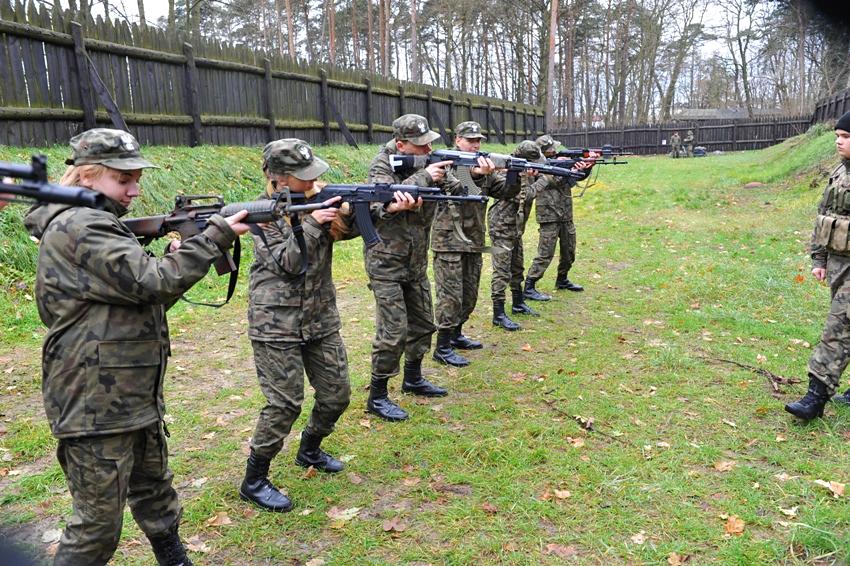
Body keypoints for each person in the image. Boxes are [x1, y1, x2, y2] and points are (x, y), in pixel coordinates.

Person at [23, 128, 250, 566]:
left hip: (128, 387)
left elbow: (138, 290)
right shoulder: (81, 224)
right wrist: (212, 239)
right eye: (123, 179)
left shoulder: (100, 220)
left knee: (154, 489)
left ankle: (174, 559)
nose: (134, 189)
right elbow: (153, 283)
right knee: (96, 527)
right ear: (87, 176)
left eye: (137, 178)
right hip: (94, 397)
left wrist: (179, 253)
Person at [240, 139, 357, 512]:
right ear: (278, 178)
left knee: (337, 393)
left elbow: (351, 229)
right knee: (285, 404)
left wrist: (367, 210)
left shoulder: (318, 200)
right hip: (275, 321)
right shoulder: (260, 214)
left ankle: (310, 449)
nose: (311, 181)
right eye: (302, 176)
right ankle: (254, 479)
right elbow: (289, 263)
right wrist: (311, 224)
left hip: (319, 316)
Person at [364, 114, 458, 421]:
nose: (428, 149)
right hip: (386, 262)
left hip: (415, 260)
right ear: (401, 144)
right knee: (393, 330)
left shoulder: (429, 163)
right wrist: (425, 177)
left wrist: (471, 174)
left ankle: (413, 378)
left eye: (429, 143)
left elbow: (460, 192)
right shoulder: (382, 165)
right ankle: (377, 396)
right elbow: (378, 204)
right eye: (420, 145)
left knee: (422, 323)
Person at [430, 121, 518, 367]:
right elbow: (458, 189)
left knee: (469, 294)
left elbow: (505, 192)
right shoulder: (444, 163)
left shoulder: (483, 164)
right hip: (448, 241)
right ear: (457, 140)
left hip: (474, 239)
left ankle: (456, 335)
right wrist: (476, 174)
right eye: (470, 140)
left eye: (478, 140)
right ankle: (442, 346)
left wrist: (515, 174)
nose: (475, 144)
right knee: (450, 297)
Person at [786, 111, 850, 420]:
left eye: (846, 137)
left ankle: (816, 396)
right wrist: (819, 258)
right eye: (837, 136)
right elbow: (824, 215)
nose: (838, 141)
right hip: (839, 263)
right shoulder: (839, 172)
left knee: (838, 328)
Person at [524, 134, 594, 298]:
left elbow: (576, 178)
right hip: (549, 214)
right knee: (545, 253)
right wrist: (570, 170)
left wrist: (586, 167)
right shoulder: (537, 166)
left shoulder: (559, 162)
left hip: (565, 212)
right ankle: (529, 286)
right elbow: (553, 181)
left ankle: (562, 279)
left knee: (569, 250)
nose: (556, 151)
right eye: (552, 149)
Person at [488, 140, 545, 331]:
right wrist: (544, 179)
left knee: (517, 267)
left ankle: (518, 302)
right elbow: (523, 195)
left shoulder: (524, 171)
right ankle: (498, 313)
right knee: (502, 271)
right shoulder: (505, 171)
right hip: (501, 227)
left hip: (516, 227)